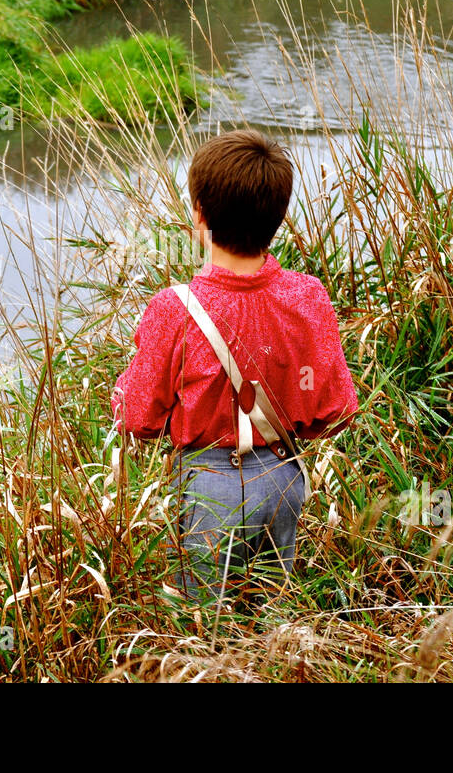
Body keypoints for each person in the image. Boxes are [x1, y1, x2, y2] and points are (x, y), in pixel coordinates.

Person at [111, 129, 358, 602]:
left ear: (200, 216)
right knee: (267, 620)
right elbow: (338, 408)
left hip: (209, 488)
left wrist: (124, 395)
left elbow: (137, 417)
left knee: (202, 626)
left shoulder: (175, 308)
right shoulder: (308, 297)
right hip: (284, 481)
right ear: (279, 217)